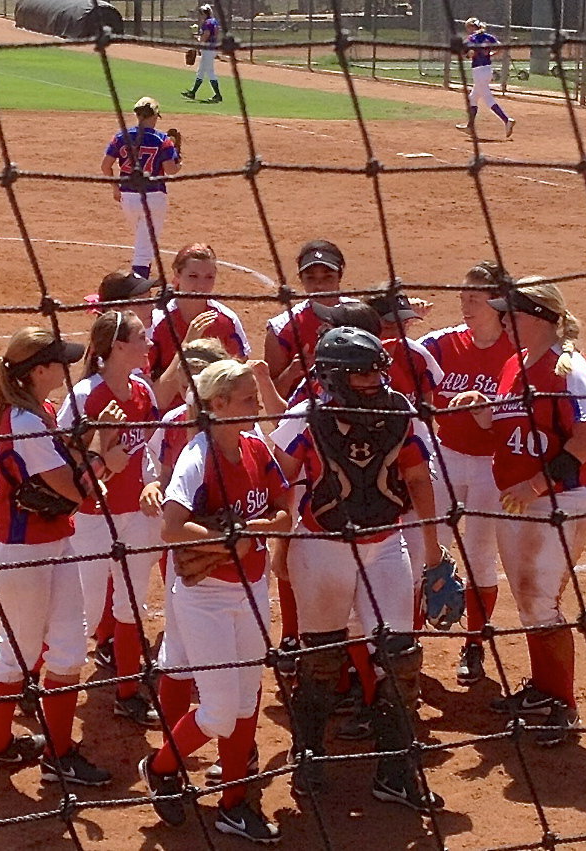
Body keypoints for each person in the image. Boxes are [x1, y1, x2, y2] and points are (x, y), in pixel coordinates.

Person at [270, 327, 447, 811]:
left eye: (377, 370)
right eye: (363, 372)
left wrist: (432, 551)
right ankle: (308, 752)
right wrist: (280, 546)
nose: (376, 379)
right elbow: (277, 478)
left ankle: (395, 770)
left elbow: (415, 477)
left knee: (401, 657)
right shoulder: (306, 418)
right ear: (335, 377)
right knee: (323, 660)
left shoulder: (398, 413)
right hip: (322, 548)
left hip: (386, 544)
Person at [139, 360, 291, 843]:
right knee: (221, 711)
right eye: (247, 399)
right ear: (217, 404)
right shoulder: (196, 456)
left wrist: (244, 536)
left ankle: (233, 804)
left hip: (249, 590)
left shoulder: (255, 448)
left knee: (246, 702)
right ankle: (161, 767)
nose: (257, 405)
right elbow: (171, 526)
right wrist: (230, 542)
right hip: (203, 597)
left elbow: (286, 513)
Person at [450, 279, 586, 745]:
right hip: (517, 498)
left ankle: (563, 704)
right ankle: (542, 689)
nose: (502, 318)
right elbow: (505, 424)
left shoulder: (569, 368)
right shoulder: (514, 364)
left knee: (541, 602)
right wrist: (481, 409)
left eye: (509, 312)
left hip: (560, 501)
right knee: (528, 600)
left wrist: (538, 484)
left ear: (535, 316)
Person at [0, 327, 111, 786]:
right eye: (58, 362)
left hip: (56, 545)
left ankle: (59, 754)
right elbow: (75, 491)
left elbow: (66, 473)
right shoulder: (25, 422)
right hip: (22, 556)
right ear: (39, 370)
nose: (65, 367)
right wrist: (103, 453)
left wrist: (86, 441)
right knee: (18, 655)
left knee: (70, 650)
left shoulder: (44, 411)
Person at [57, 309, 162, 728]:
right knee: (80, 607)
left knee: (132, 604)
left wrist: (152, 482)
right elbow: (61, 457)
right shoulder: (84, 396)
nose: (148, 341)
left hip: (136, 514)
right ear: (117, 346)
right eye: (140, 336)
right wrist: (103, 460)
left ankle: (126, 692)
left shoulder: (142, 391)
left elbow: (147, 452)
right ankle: (34, 683)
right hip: (89, 519)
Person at [416, 261, 514, 685]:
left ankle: (474, 644)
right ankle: (408, 642)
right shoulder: (441, 343)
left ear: (499, 303)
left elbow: (523, 417)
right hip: (446, 456)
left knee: (479, 557)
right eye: (463, 297)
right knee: (421, 544)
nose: (466, 305)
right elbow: (391, 354)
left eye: (476, 298)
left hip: (495, 467)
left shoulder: (517, 351)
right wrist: (397, 313)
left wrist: (487, 414)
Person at [149, 243, 250, 400]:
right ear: (176, 274)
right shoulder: (157, 322)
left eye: (209, 277)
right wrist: (187, 345)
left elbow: (238, 383)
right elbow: (157, 400)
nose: (201, 286)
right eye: (193, 276)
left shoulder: (226, 320)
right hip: (170, 418)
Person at [101, 97, 181, 279]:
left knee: (144, 240)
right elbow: (171, 170)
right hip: (154, 198)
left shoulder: (121, 136)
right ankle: (138, 288)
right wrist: (179, 160)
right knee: (144, 250)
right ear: (154, 116)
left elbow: (105, 166)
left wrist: (115, 189)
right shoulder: (162, 139)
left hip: (127, 198)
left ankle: (143, 276)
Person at [264, 239, 353, 401]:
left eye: (327, 277)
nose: (319, 286)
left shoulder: (360, 316)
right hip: (303, 418)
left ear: (340, 276)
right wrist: (292, 372)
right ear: (301, 279)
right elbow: (270, 396)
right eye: (311, 278)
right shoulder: (281, 328)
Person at [456, 17, 515, 138]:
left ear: (472, 27)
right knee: (472, 98)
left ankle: (507, 120)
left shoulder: (472, 38)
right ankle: (469, 126)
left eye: (468, 27)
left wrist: (467, 54)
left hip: (478, 71)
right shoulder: (488, 36)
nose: (467, 30)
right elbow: (500, 48)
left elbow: (464, 52)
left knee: (488, 99)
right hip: (488, 69)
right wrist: (491, 54)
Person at [182, 4, 223, 104]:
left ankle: (218, 95)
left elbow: (206, 35)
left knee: (210, 72)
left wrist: (198, 42)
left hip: (207, 49)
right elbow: (215, 35)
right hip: (212, 48)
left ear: (205, 13)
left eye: (201, 13)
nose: (200, 15)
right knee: (201, 71)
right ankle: (193, 92)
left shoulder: (207, 23)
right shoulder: (214, 22)